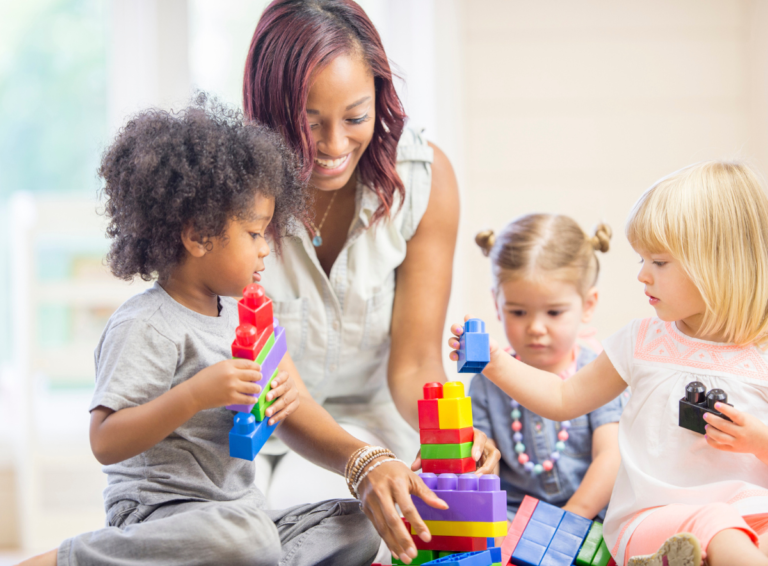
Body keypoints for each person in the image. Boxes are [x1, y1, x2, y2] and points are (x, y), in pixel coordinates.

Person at [19, 98, 447, 566]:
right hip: (161, 517)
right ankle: (69, 560)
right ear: (198, 236)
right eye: (254, 234)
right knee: (242, 540)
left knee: (358, 524)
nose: (266, 249)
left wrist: (276, 398)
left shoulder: (242, 311)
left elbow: (276, 407)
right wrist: (195, 394)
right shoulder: (146, 324)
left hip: (239, 509)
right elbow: (105, 440)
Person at [242, 0, 499, 509]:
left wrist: (452, 434)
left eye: (356, 116)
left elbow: (415, 362)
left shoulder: (423, 180)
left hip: (377, 424)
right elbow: (277, 385)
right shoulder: (233, 191)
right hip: (257, 425)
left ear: (380, 97)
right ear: (269, 112)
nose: (334, 145)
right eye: (309, 124)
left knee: (367, 520)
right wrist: (362, 463)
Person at [449, 162, 768, 566]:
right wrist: (493, 361)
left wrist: (760, 441)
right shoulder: (641, 343)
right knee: (719, 525)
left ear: (717, 265)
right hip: (654, 519)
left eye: (659, 262)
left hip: (751, 513)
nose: (642, 276)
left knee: (739, 531)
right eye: (642, 260)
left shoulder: (761, 358)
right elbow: (564, 396)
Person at [470, 215, 626, 522]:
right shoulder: (489, 379)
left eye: (554, 312)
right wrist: (477, 449)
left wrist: (571, 517)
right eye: (518, 311)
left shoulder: (598, 372)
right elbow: (484, 452)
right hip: (511, 513)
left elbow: (611, 456)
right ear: (497, 303)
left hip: (587, 511)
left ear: (588, 304)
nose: (536, 327)